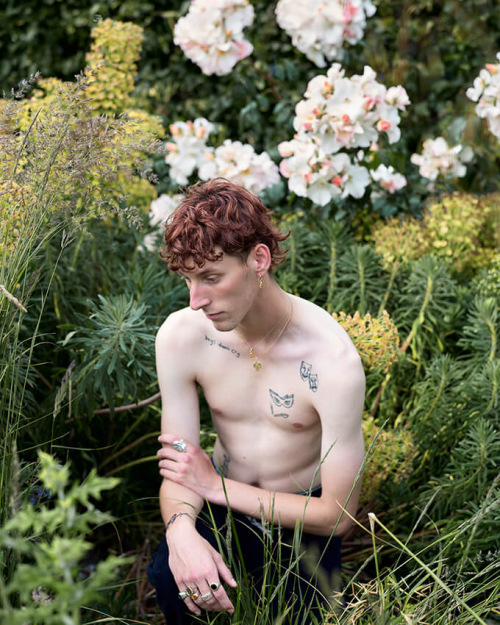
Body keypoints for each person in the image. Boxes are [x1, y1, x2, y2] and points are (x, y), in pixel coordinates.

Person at [146, 178, 365, 623]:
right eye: (188, 279)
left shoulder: (331, 362)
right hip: (218, 508)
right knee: (170, 577)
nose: (196, 301)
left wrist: (215, 486)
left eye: (211, 278)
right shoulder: (181, 337)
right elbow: (181, 465)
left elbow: (338, 516)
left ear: (258, 260)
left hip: (302, 520)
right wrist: (182, 531)